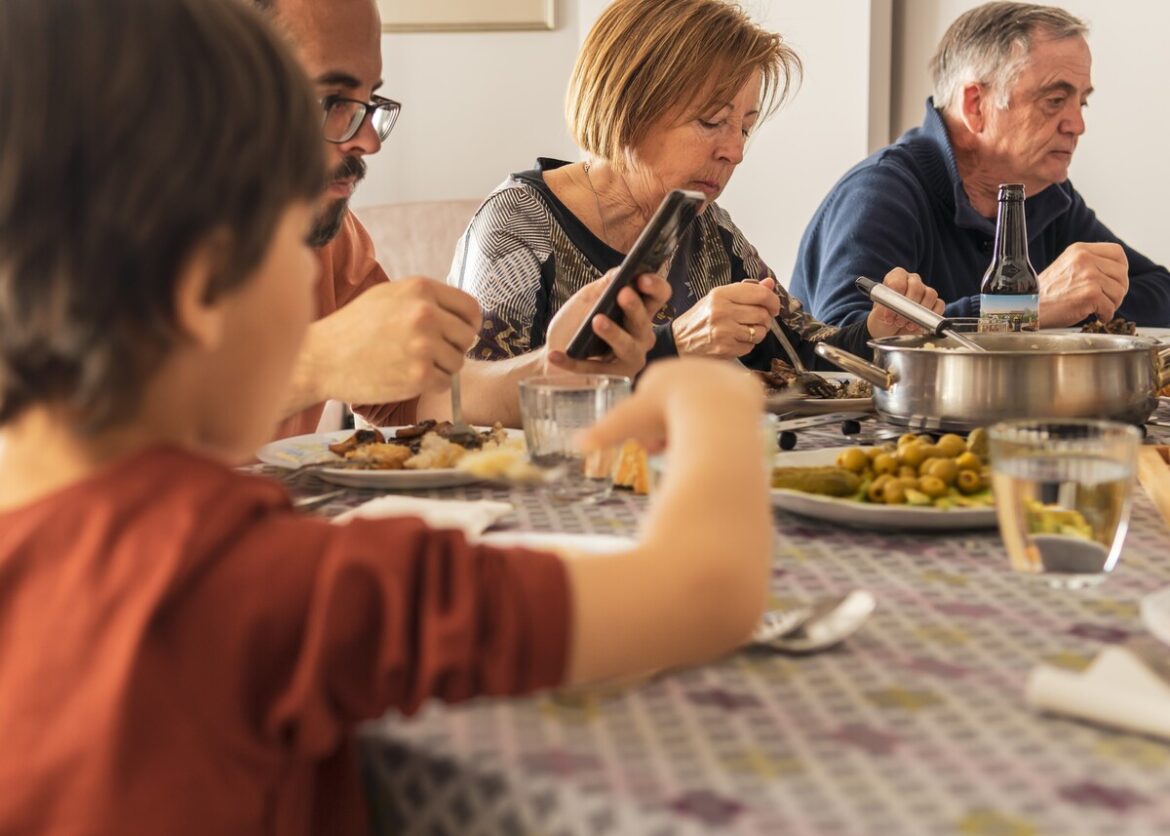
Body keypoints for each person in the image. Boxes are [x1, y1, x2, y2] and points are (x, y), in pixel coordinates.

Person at [0, 0, 774, 833]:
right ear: (201, 290)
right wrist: (710, 404)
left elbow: (429, 399)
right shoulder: (271, 583)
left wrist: (554, 369)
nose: (363, 140)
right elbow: (705, 592)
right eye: (284, 250)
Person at [455, 0, 942, 378]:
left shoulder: (704, 226)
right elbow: (483, 399)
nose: (736, 151)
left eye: (745, 128)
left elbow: (804, 353)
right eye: (711, 122)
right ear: (628, 106)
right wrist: (676, 344)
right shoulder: (520, 220)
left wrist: (879, 330)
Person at [262, 0, 670, 436]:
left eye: (369, 101)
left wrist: (558, 368)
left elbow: (418, 399)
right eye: (333, 101)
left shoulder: (329, 234)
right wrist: (318, 362)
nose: (368, 141)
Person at [790, 1, 1170, 329]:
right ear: (975, 105)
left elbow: (1162, 293)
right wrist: (1023, 310)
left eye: (1081, 103)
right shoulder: (880, 192)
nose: (1078, 125)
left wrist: (1071, 303)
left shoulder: (1047, 198)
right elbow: (841, 340)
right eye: (1055, 100)